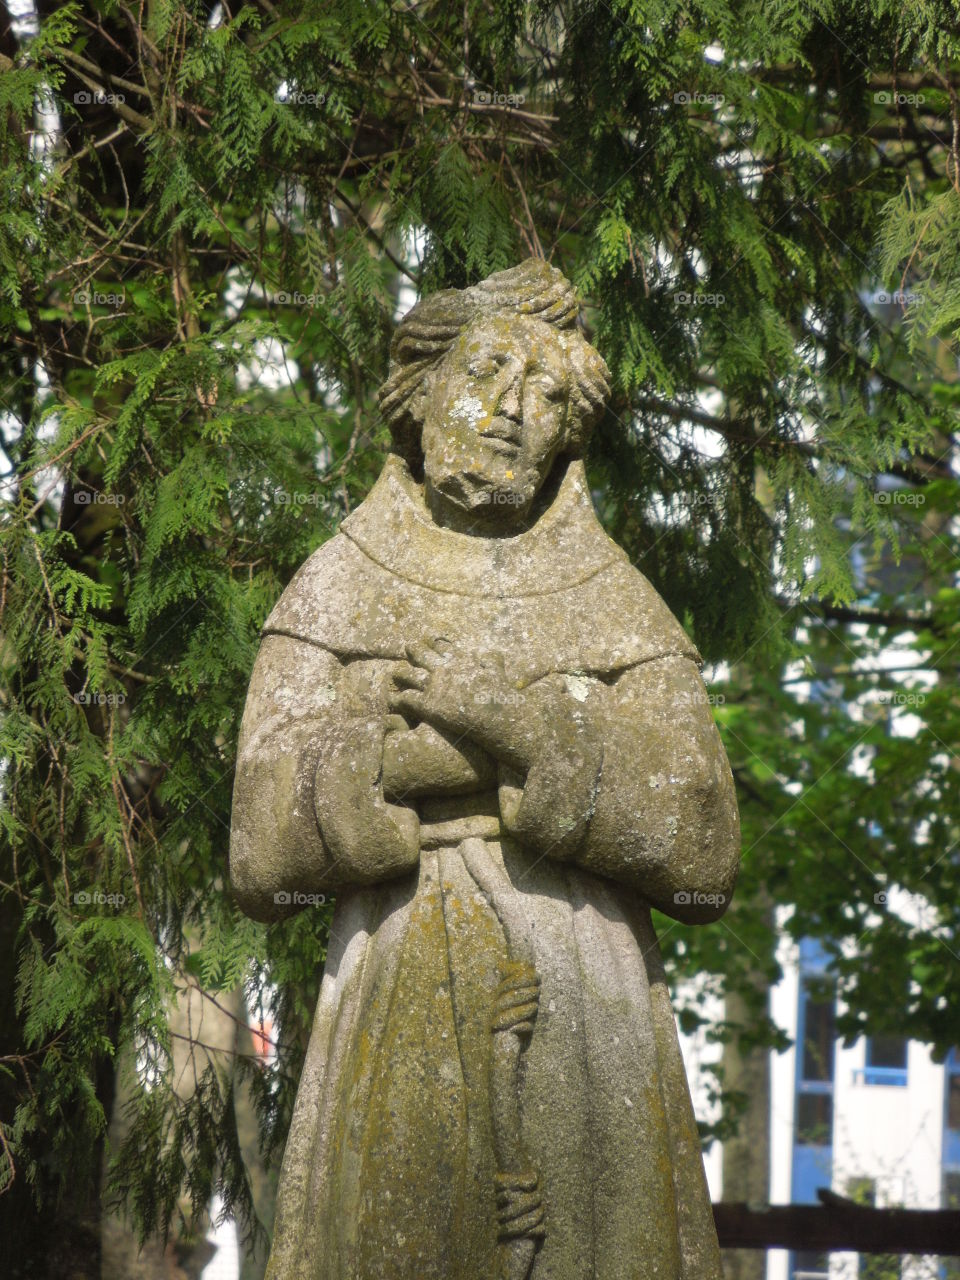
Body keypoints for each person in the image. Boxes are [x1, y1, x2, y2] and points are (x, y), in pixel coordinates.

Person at [230, 258, 740, 1280]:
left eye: (550, 396)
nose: (513, 409)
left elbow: (702, 844)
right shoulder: (334, 588)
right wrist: (424, 752)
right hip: (399, 985)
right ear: (415, 390)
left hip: (588, 1010)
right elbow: (259, 847)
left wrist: (521, 722)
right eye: (488, 369)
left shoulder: (614, 599)